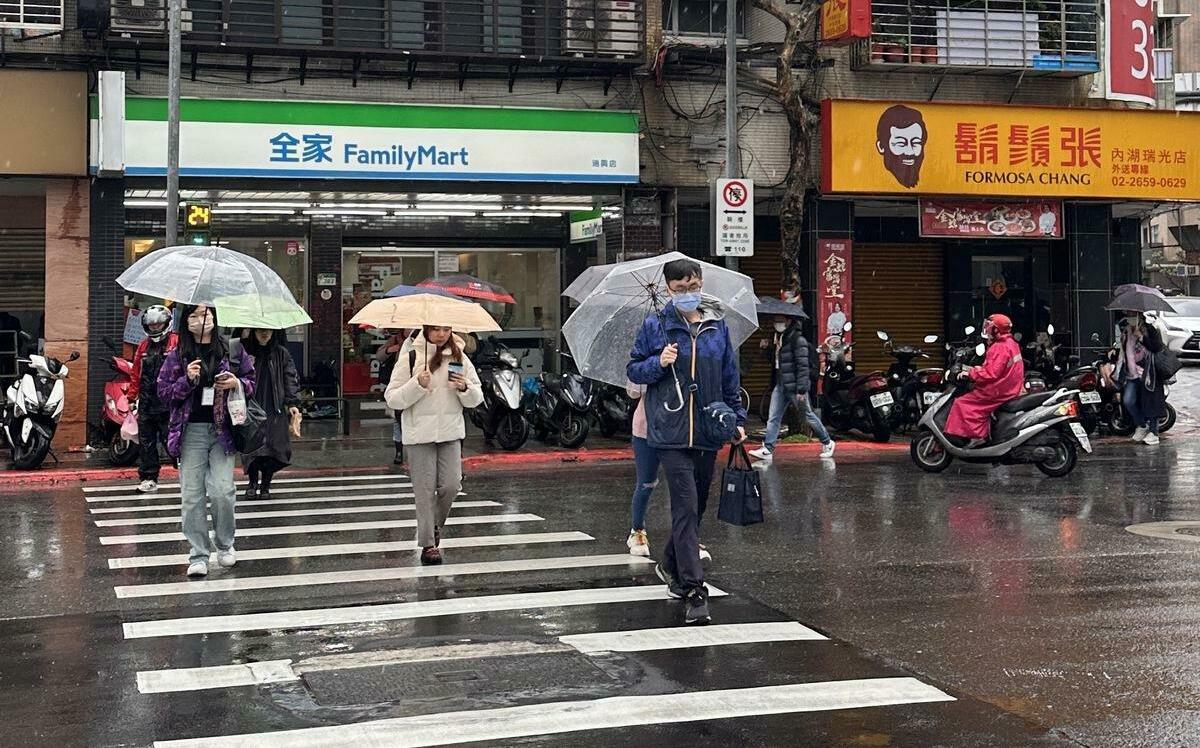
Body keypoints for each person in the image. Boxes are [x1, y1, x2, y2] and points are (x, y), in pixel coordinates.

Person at [628, 258, 747, 626]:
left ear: (701, 283)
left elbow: (730, 375)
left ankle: (670, 563)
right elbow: (634, 369)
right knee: (684, 503)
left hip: (709, 429)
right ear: (668, 289)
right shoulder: (656, 326)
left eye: (692, 286)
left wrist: (737, 421)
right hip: (670, 430)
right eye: (679, 289)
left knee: (695, 508)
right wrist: (658, 363)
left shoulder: (717, 326)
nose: (687, 293)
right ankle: (696, 590)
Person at [157, 304, 256, 579]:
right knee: (192, 496)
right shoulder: (177, 355)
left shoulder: (232, 349)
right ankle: (198, 554)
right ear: (187, 322)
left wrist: (236, 382)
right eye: (197, 315)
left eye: (208, 313)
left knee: (223, 491)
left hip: (223, 430)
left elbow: (251, 381)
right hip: (190, 433)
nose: (205, 318)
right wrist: (186, 380)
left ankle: (225, 544)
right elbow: (163, 393)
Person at [385, 324, 483, 565]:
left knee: (451, 485)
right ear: (426, 330)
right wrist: (417, 384)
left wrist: (464, 388)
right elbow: (393, 398)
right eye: (436, 329)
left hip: (450, 432)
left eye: (446, 329)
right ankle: (428, 544)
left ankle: (434, 525)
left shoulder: (459, 355)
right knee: (425, 491)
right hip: (419, 434)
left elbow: (476, 398)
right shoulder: (411, 355)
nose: (441, 334)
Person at [750, 315, 835, 461]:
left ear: (789, 322)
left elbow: (803, 366)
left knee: (808, 415)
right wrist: (765, 349)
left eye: (780, 321)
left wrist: (801, 390)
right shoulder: (778, 339)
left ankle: (827, 442)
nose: (777, 323)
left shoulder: (797, 340)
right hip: (781, 383)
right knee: (773, 417)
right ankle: (768, 449)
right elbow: (777, 362)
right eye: (776, 321)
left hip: (795, 386)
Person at [945, 313, 1023, 448]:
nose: (987, 329)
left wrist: (970, 374)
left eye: (989, 327)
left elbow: (990, 373)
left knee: (963, 403)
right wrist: (974, 369)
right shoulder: (1011, 343)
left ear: (996, 330)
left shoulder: (999, 347)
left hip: (998, 390)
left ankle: (978, 437)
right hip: (1009, 387)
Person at [242, 328, 302, 499]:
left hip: (274, 406)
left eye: (268, 331)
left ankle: (266, 484)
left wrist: (292, 403)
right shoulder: (245, 351)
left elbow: (290, 377)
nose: (265, 334)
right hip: (252, 406)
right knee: (252, 446)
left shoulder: (281, 353)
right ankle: (253, 482)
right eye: (260, 330)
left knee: (275, 448)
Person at [129, 305, 178, 493]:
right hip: (147, 401)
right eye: (152, 325)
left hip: (170, 402)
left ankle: (188, 473)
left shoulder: (176, 342)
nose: (156, 328)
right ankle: (149, 477)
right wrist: (132, 396)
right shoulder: (143, 346)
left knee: (172, 440)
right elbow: (136, 373)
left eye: (159, 324)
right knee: (146, 442)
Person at [1113, 310, 1167, 445]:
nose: (1130, 317)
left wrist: (1142, 337)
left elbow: (1157, 347)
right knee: (1128, 401)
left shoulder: (1150, 330)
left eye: (1132, 315)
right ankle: (1142, 425)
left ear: (1139, 315)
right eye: (1128, 314)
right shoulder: (1126, 331)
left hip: (1148, 373)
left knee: (1150, 403)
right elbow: (1125, 351)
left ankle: (1154, 433)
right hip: (1131, 374)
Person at [625, 380, 657, 557]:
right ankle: (637, 530)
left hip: (679, 430)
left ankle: (690, 536)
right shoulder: (645, 356)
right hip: (645, 430)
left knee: (683, 484)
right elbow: (632, 392)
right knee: (646, 483)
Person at [376, 329, 412, 465]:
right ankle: (399, 451)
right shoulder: (395, 339)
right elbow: (379, 356)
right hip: (397, 382)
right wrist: (390, 349)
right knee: (398, 418)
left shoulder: (422, 341)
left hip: (414, 382)